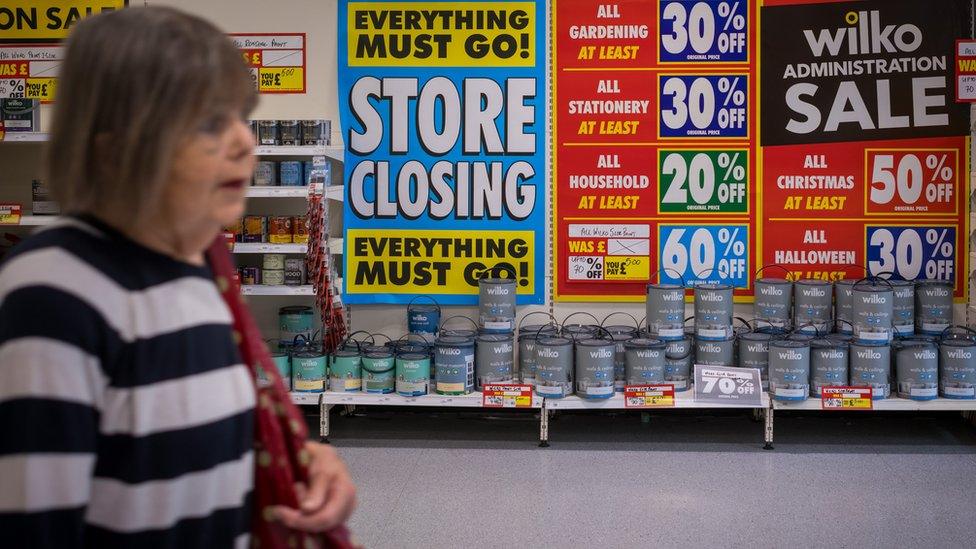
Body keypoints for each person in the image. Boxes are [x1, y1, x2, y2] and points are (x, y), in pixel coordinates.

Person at [0, 7, 356, 548]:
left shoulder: (200, 269)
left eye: (242, 115)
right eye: (209, 122)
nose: (245, 143)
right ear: (115, 146)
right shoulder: (52, 296)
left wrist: (300, 460)